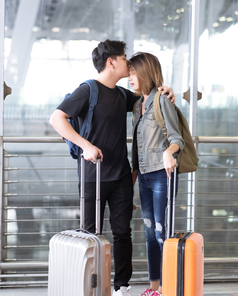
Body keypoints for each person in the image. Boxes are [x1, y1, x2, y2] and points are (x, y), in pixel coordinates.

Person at [49, 40, 175, 296]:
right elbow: (56, 118)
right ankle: (88, 286)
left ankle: (122, 287)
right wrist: (85, 146)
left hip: (120, 177)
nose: (128, 63)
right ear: (111, 62)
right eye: (125, 58)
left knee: (122, 234)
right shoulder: (88, 90)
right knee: (90, 234)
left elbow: (148, 98)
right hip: (92, 177)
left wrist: (167, 91)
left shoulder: (122, 95)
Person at [129, 52, 184, 296]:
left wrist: (168, 153)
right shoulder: (136, 106)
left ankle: (166, 287)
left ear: (144, 72)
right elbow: (134, 151)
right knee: (150, 234)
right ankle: (154, 288)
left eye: (133, 73)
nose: (129, 78)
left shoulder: (161, 100)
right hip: (144, 177)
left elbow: (177, 139)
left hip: (163, 175)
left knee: (162, 233)